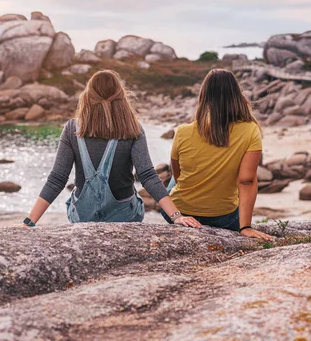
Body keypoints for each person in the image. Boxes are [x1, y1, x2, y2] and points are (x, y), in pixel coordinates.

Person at [21, 70, 201, 229]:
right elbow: (147, 175)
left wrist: (29, 221)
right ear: (122, 98)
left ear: (87, 97)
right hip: (126, 217)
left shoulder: (72, 129)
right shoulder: (133, 129)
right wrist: (176, 216)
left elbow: (57, 179)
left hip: (83, 217)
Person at [163, 69, 272, 240]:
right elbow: (247, 181)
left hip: (181, 212)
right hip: (224, 218)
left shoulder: (182, 131)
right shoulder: (251, 130)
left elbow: (177, 176)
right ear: (236, 95)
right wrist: (245, 227)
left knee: (172, 181)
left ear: (203, 97)